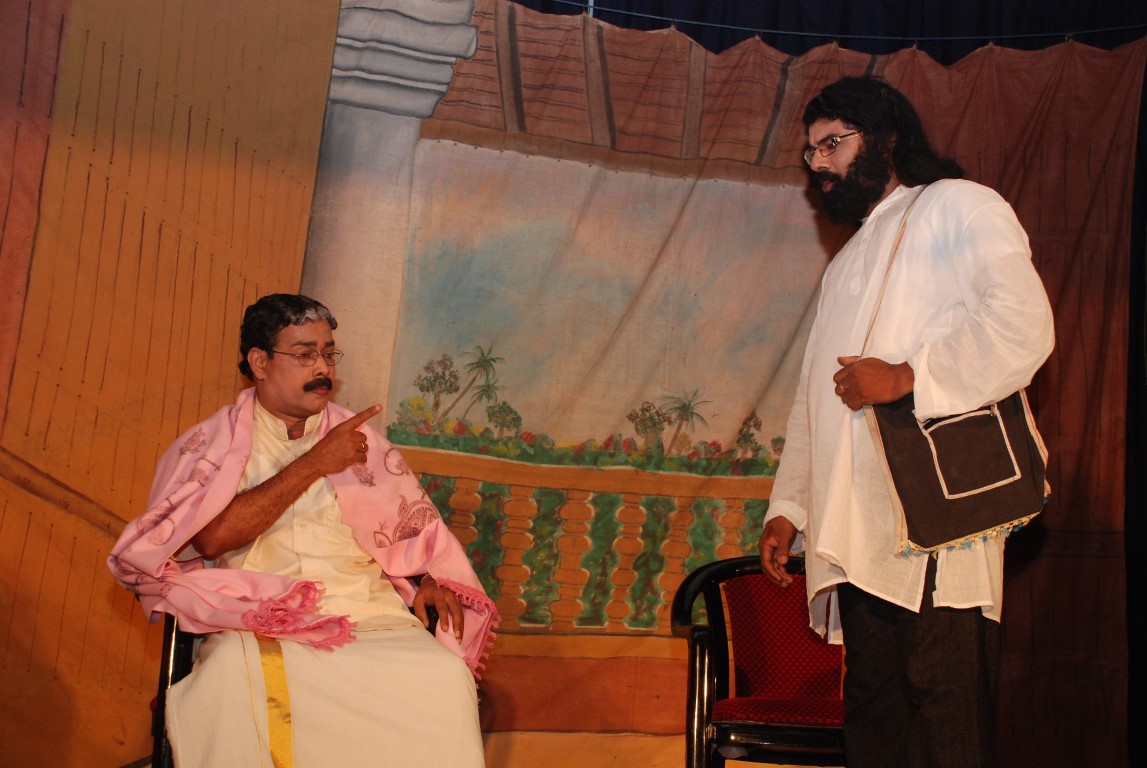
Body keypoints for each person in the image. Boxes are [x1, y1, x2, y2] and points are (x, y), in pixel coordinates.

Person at [758, 76, 1054, 768]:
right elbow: (814, 397)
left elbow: (1022, 323)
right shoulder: (847, 259)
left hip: (936, 524)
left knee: (943, 720)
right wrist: (789, 508)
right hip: (858, 531)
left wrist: (908, 375)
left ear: (887, 139)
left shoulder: (959, 204)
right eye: (811, 152)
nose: (820, 163)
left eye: (833, 143)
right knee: (874, 720)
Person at [108, 293, 498, 767]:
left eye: (328, 353)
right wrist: (315, 463)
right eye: (304, 354)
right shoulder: (213, 444)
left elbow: (409, 533)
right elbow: (210, 539)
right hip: (258, 615)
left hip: (365, 611)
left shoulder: (361, 442)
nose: (322, 368)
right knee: (231, 674)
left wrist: (430, 580)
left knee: (442, 676)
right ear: (259, 362)